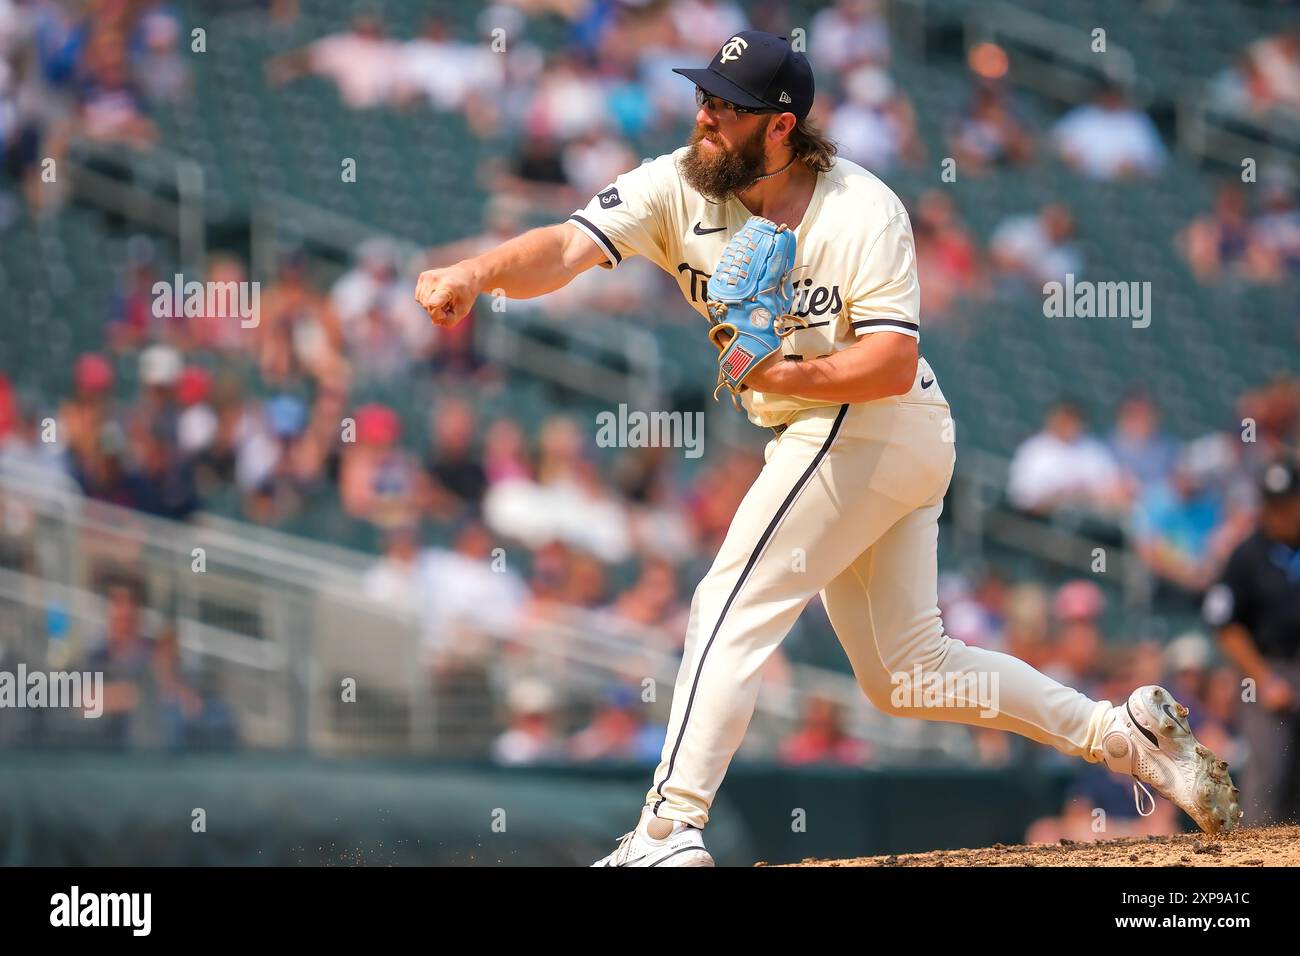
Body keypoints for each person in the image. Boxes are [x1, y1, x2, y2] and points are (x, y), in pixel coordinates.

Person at [415, 31, 1242, 867]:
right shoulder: (675, 183)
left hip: (871, 417)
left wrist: (777, 368)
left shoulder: (861, 207)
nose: (703, 116)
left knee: (729, 601)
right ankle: (1123, 735)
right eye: (701, 98)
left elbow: (890, 361)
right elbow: (562, 247)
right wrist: (476, 273)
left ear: (779, 127)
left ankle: (670, 830)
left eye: (723, 106)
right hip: (862, 434)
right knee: (907, 672)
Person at [1204, 459, 1300, 825]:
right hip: (1268, 671)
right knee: (1268, 779)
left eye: (1289, 502)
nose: (1282, 512)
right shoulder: (1248, 555)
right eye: (1274, 504)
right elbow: (1224, 622)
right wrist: (1263, 677)